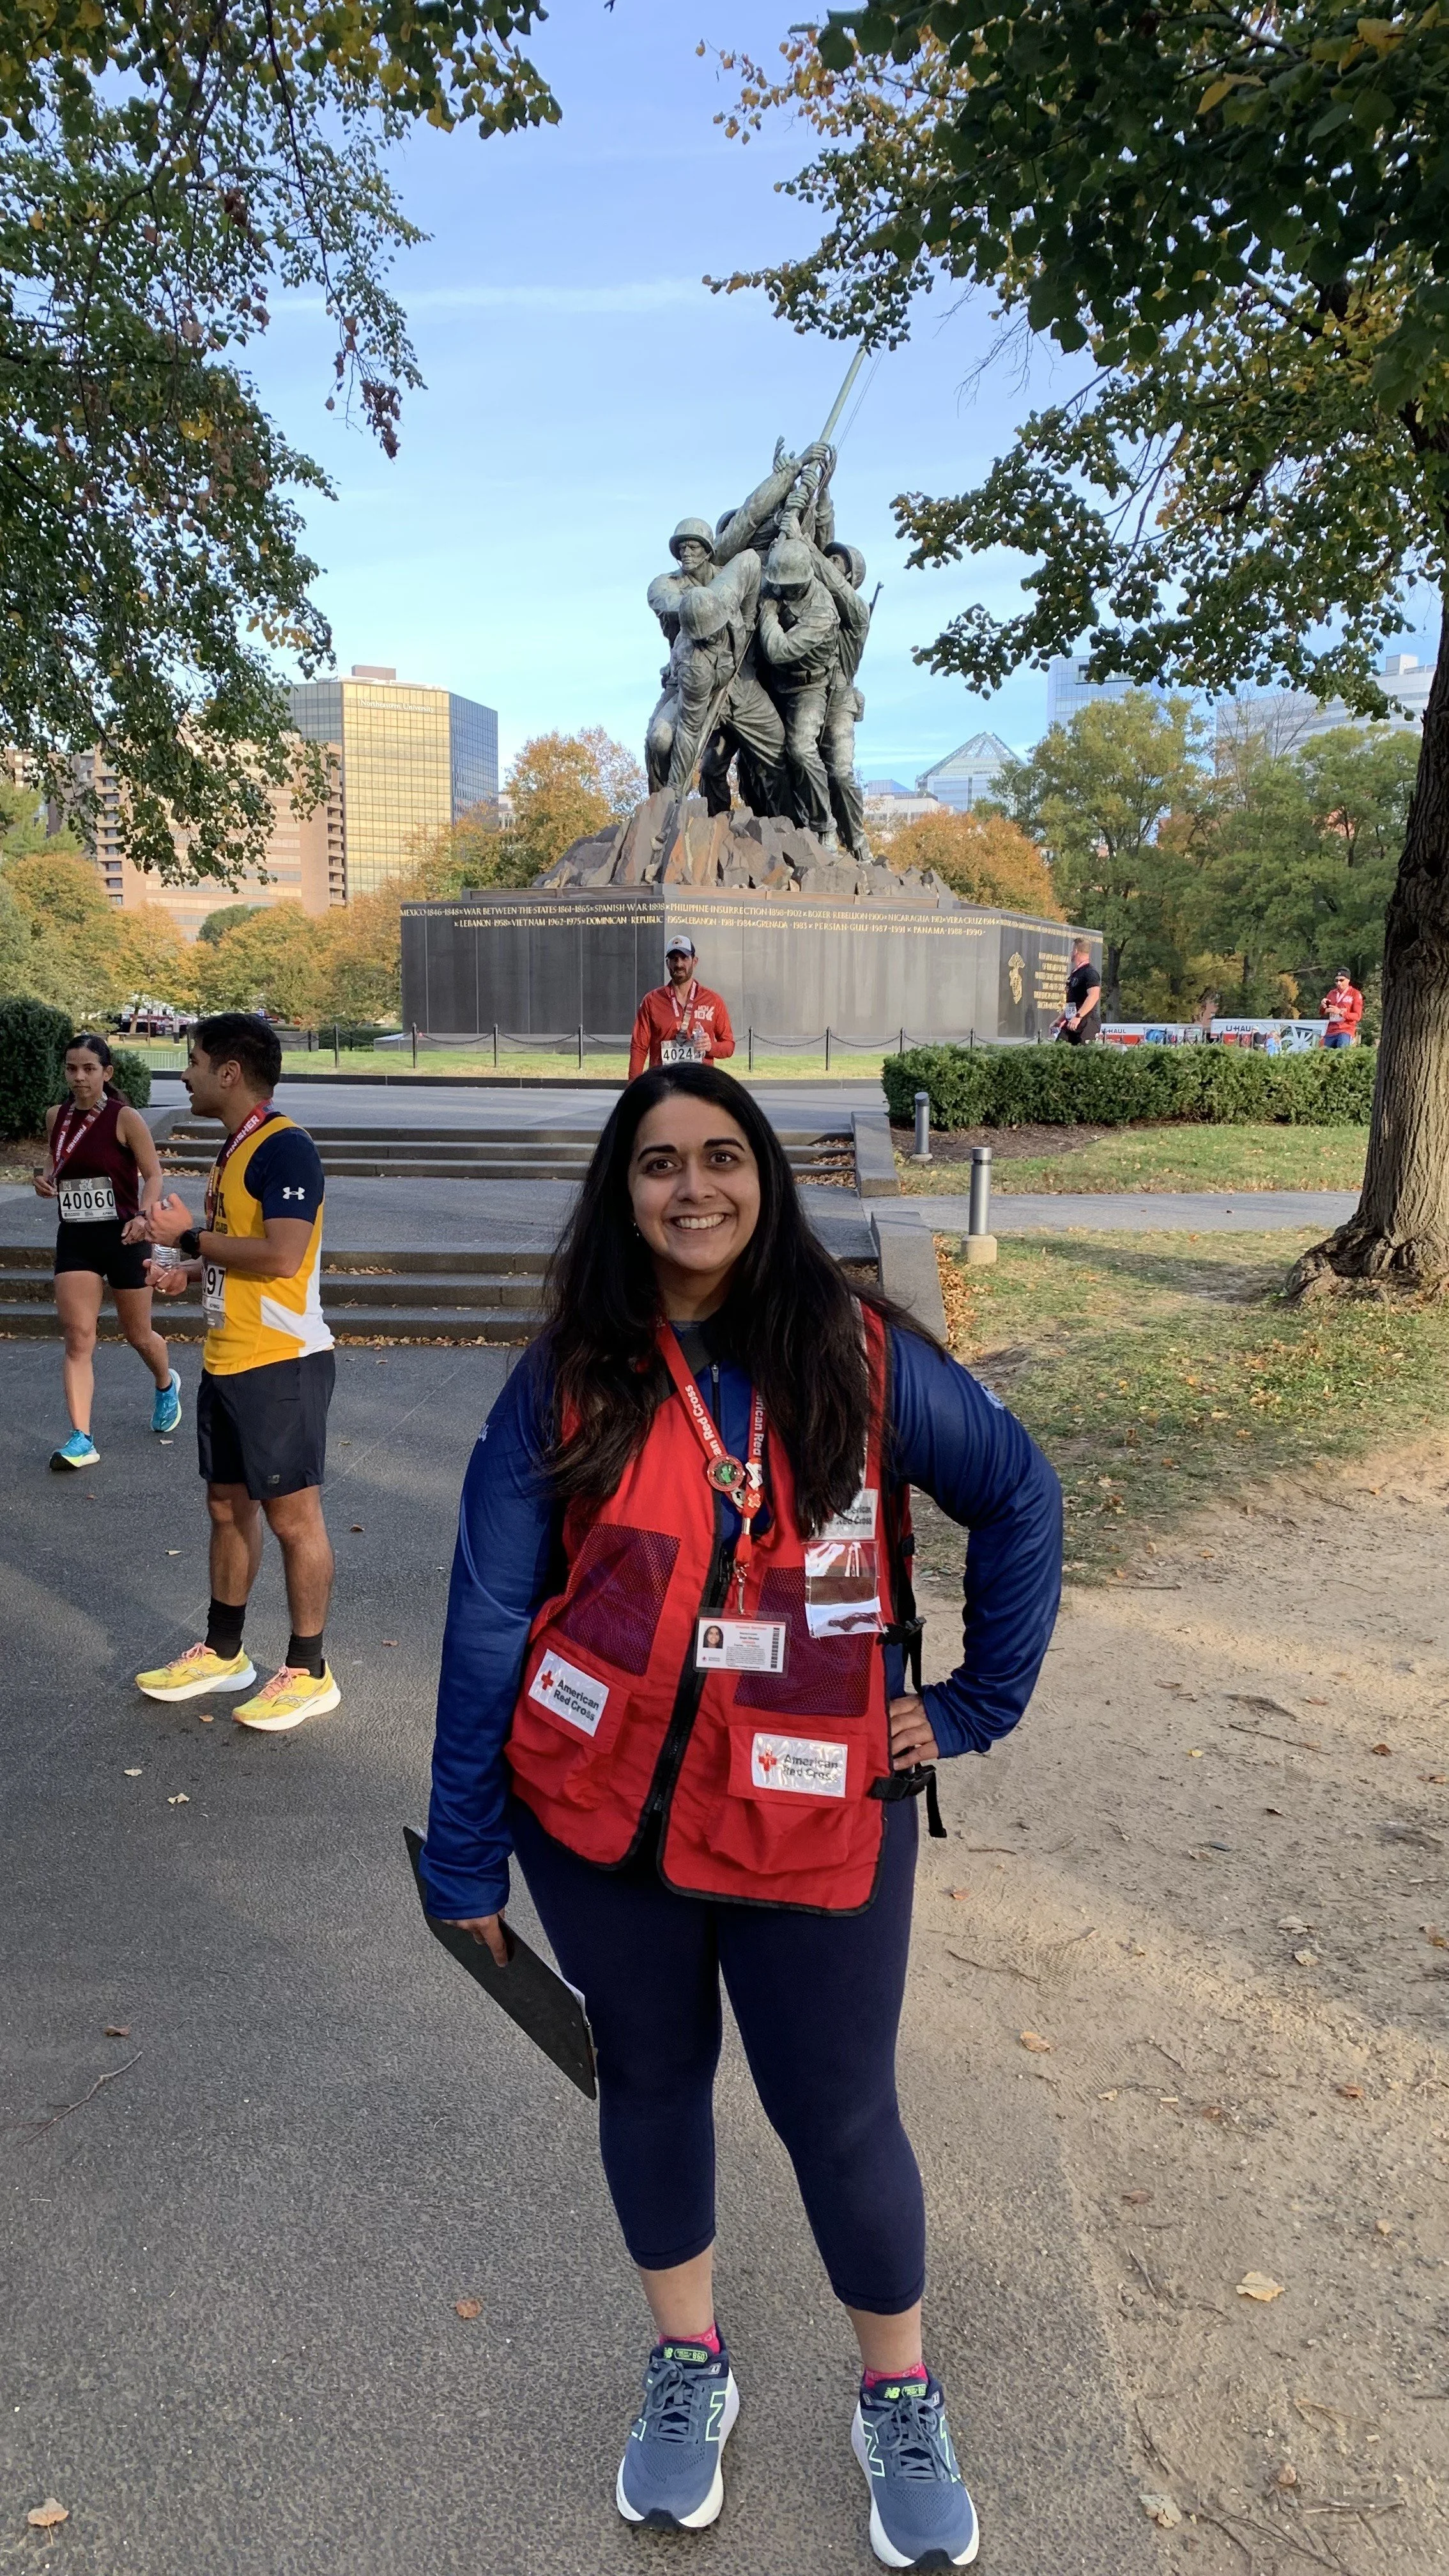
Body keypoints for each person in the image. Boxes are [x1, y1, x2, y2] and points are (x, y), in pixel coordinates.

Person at [421, 1063, 1062, 2568]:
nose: (691, 1188)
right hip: (600, 1823)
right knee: (648, 2086)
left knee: (839, 2118)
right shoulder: (572, 1368)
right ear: (622, 1192)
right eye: (658, 1164)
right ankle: (687, 2363)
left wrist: (971, 1706)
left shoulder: (862, 1356)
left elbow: (1022, 1497)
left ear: (763, 1177)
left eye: (721, 1157)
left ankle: (896, 2388)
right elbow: (487, 1612)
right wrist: (460, 1844)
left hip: (814, 1819)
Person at [132, 1013, 340, 1731]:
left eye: (192, 1061)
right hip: (228, 1357)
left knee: (293, 1518)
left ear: (229, 1071)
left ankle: (310, 1670)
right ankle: (225, 1653)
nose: (183, 1074)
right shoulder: (236, 1148)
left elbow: (283, 1255)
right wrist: (191, 1268)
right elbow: (245, 1249)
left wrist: (188, 1234)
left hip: (282, 1361)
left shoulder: (286, 1150)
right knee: (226, 1508)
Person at [33, 1032, 182, 1471]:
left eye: (89, 1069)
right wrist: (45, 1181)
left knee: (139, 1335)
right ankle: (81, 1438)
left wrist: (145, 1216)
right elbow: (55, 1163)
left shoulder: (125, 1118)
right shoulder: (55, 1116)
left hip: (125, 1237)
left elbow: (153, 1174)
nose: (79, 1077)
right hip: (76, 1238)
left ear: (106, 1072)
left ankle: (164, 1383)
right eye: (71, 1068)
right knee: (78, 1338)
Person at [628, 939, 735, 1081]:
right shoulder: (652, 1000)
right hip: (663, 1084)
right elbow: (639, 1047)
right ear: (667, 963)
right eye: (674, 959)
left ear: (695, 961)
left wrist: (711, 1046)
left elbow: (729, 1047)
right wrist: (633, 1086)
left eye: (684, 958)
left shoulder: (713, 1001)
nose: (679, 964)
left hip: (700, 1084)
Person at [1057, 939, 1102, 1043]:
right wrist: (1060, 1019)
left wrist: (1078, 1017)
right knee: (1058, 1051)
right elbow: (1073, 1003)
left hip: (1086, 1023)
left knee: (1082, 1055)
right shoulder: (1076, 973)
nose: (1070, 953)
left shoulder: (1090, 972)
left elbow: (1094, 996)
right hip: (1071, 1023)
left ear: (1076, 951)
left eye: (1071, 950)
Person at [1319, 971, 1363, 1047]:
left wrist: (1340, 1012)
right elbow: (1322, 1013)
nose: (1339, 983)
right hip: (1331, 1031)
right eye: (1336, 981)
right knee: (1324, 1055)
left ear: (1348, 980)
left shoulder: (1355, 994)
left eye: (1341, 980)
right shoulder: (1332, 993)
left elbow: (1357, 1016)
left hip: (1346, 1031)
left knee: (1341, 1054)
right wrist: (1323, 1006)